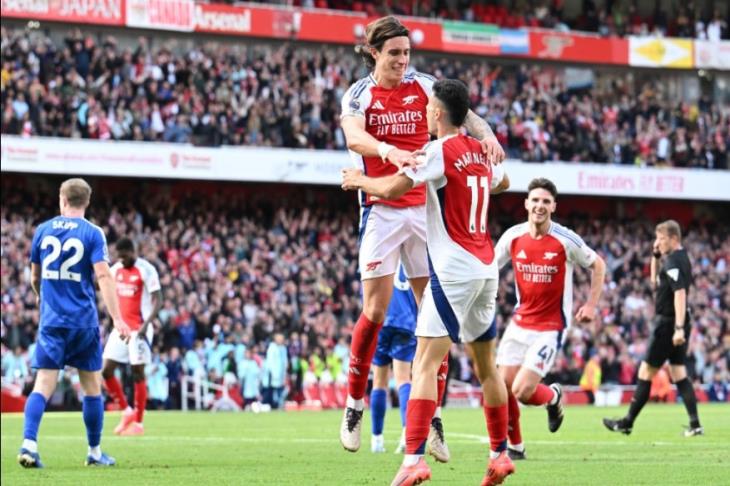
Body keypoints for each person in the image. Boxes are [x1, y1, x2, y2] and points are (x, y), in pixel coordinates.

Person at [339, 14, 505, 454]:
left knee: (430, 315)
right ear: (374, 53)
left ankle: (432, 420)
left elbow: (469, 117)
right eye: (393, 53)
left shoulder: (424, 84)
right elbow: (353, 136)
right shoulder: (360, 94)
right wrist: (388, 149)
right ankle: (355, 402)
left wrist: (488, 137)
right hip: (381, 207)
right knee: (374, 310)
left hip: (423, 213)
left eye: (406, 53)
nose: (402, 61)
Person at [18, 178, 131, 468]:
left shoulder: (42, 230)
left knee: (43, 384)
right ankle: (94, 452)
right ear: (87, 202)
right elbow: (104, 276)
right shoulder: (93, 233)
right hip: (83, 322)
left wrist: (45, 298)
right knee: (92, 386)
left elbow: (34, 278)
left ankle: (29, 444)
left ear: (62, 199)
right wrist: (117, 318)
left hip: (52, 322)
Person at [494, 177, 606, 460]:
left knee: (522, 390)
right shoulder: (513, 236)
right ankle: (516, 447)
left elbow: (598, 264)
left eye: (546, 201)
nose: (540, 206)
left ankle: (553, 397)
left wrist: (591, 305)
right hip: (520, 323)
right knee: (502, 385)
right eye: (535, 200)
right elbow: (489, 269)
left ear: (554, 206)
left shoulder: (565, 239)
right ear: (526, 204)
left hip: (550, 327)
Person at [604, 220, 703, 436]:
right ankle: (695, 424)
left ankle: (627, 422)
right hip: (678, 321)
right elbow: (655, 283)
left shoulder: (675, 261)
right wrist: (655, 257)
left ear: (674, 238)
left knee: (645, 371)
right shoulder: (677, 259)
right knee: (678, 372)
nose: (657, 242)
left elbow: (680, 294)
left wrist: (677, 328)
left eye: (662, 238)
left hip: (668, 323)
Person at [102, 237, 162, 436]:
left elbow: (158, 299)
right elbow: (107, 291)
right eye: (119, 256)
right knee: (106, 370)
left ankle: (138, 422)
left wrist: (147, 325)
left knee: (137, 372)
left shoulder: (146, 269)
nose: (121, 260)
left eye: (125, 256)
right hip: (121, 329)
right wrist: (113, 318)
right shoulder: (115, 269)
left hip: (140, 329)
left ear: (133, 252)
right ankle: (126, 411)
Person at [370, 263, 422, 455]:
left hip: (381, 320)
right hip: (406, 322)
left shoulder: (383, 252)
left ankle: (376, 440)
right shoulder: (412, 255)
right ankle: (406, 434)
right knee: (403, 379)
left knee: (379, 381)